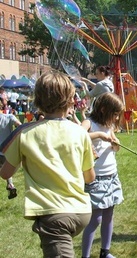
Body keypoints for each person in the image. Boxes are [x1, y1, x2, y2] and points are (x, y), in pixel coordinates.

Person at [0, 71, 95, 257]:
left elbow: (5, 173)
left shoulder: (26, 134)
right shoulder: (79, 132)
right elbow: (90, 177)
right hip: (82, 210)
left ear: (38, 100)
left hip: (54, 215)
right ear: (70, 100)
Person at [81, 92, 125, 258]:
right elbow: (78, 136)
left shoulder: (109, 126)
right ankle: (85, 255)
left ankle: (105, 252)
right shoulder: (89, 123)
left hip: (111, 175)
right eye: (114, 114)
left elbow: (115, 148)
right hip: (96, 178)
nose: (115, 118)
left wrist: (116, 144)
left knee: (108, 216)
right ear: (103, 109)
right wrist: (99, 135)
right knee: (96, 219)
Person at [0, 112, 21, 199]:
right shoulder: (9, 117)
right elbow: (19, 125)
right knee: (6, 169)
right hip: (6, 149)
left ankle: (10, 185)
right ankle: (10, 185)